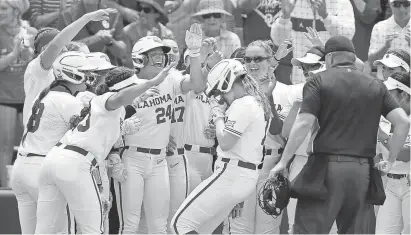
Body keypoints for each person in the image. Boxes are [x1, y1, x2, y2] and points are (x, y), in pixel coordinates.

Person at [270, 35, 410, 234]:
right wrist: (391, 159)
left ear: (329, 58)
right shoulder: (375, 84)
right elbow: (403, 122)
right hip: (362, 172)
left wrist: (283, 162)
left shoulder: (318, 80)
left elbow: (303, 123)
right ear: (353, 58)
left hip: (326, 169)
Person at [34, 61, 175, 234]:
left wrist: (138, 100)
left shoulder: (109, 106)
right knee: (93, 230)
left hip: (55, 159)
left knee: (45, 230)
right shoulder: (106, 99)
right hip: (75, 163)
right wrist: (151, 82)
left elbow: (121, 110)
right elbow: (118, 99)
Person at [115, 24, 206, 234]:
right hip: (132, 158)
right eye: (153, 54)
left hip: (159, 161)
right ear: (139, 57)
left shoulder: (171, 78)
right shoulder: (125, 83)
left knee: (159, 224)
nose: (160, 57)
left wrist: (194, 53)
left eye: (161, 53)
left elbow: (197, 85)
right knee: (130, 224)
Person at [171, 59, 271, 234]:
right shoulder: (255, 102)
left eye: (218, 90)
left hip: (231, 173)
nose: (220, 96)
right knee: (201, 230)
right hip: (242, 175)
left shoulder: (243, 103)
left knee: (179, 225)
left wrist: (218, 116)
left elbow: (225, 143)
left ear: (227, 81)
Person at [11, 50, 93, 234]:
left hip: (21, 167)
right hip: (42, 169)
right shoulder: (68, 101)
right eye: (85, 72)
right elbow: (93, 133)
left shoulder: (44, 94)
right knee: (61, 231)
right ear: (72, 73)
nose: (88, 77)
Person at [270, 0, 355, 84]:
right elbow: (278, 40)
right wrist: (285, 17)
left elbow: (347, 35)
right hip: (301, 81)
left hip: (332, 79)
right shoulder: (291, 3)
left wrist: (326, 16)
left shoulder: (341, 2)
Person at [0, 0, 35, 187]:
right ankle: (4, 187)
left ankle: (29, 184)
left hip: (27, 96)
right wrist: (13, 55)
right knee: (4, 146)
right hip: (4, 96)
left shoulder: (30, 33)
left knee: (30, 145)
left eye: (3, 9)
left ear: (16, 11)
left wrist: (29, 54)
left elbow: (40, 65)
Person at [376, 71, 410, 234]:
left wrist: (381, 136)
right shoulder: (385, 117)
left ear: (403, 94)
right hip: (390, 185)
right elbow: (378, 152)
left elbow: (405, 155)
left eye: (389, 94)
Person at [57, 0, 131, 67]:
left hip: (107, 70)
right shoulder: (66, 15)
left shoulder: (112, 13)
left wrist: (110, 42)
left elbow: (123, 52)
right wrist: (94, 39)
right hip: (77, 70)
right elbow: (60, 51)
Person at [367, 0, 410, 73]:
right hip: (386, 81)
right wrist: (385, 47)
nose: (402, 9)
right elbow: (372, 64)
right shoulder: (380, 27)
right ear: (390, 4)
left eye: (406, 4)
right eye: (397, 4)